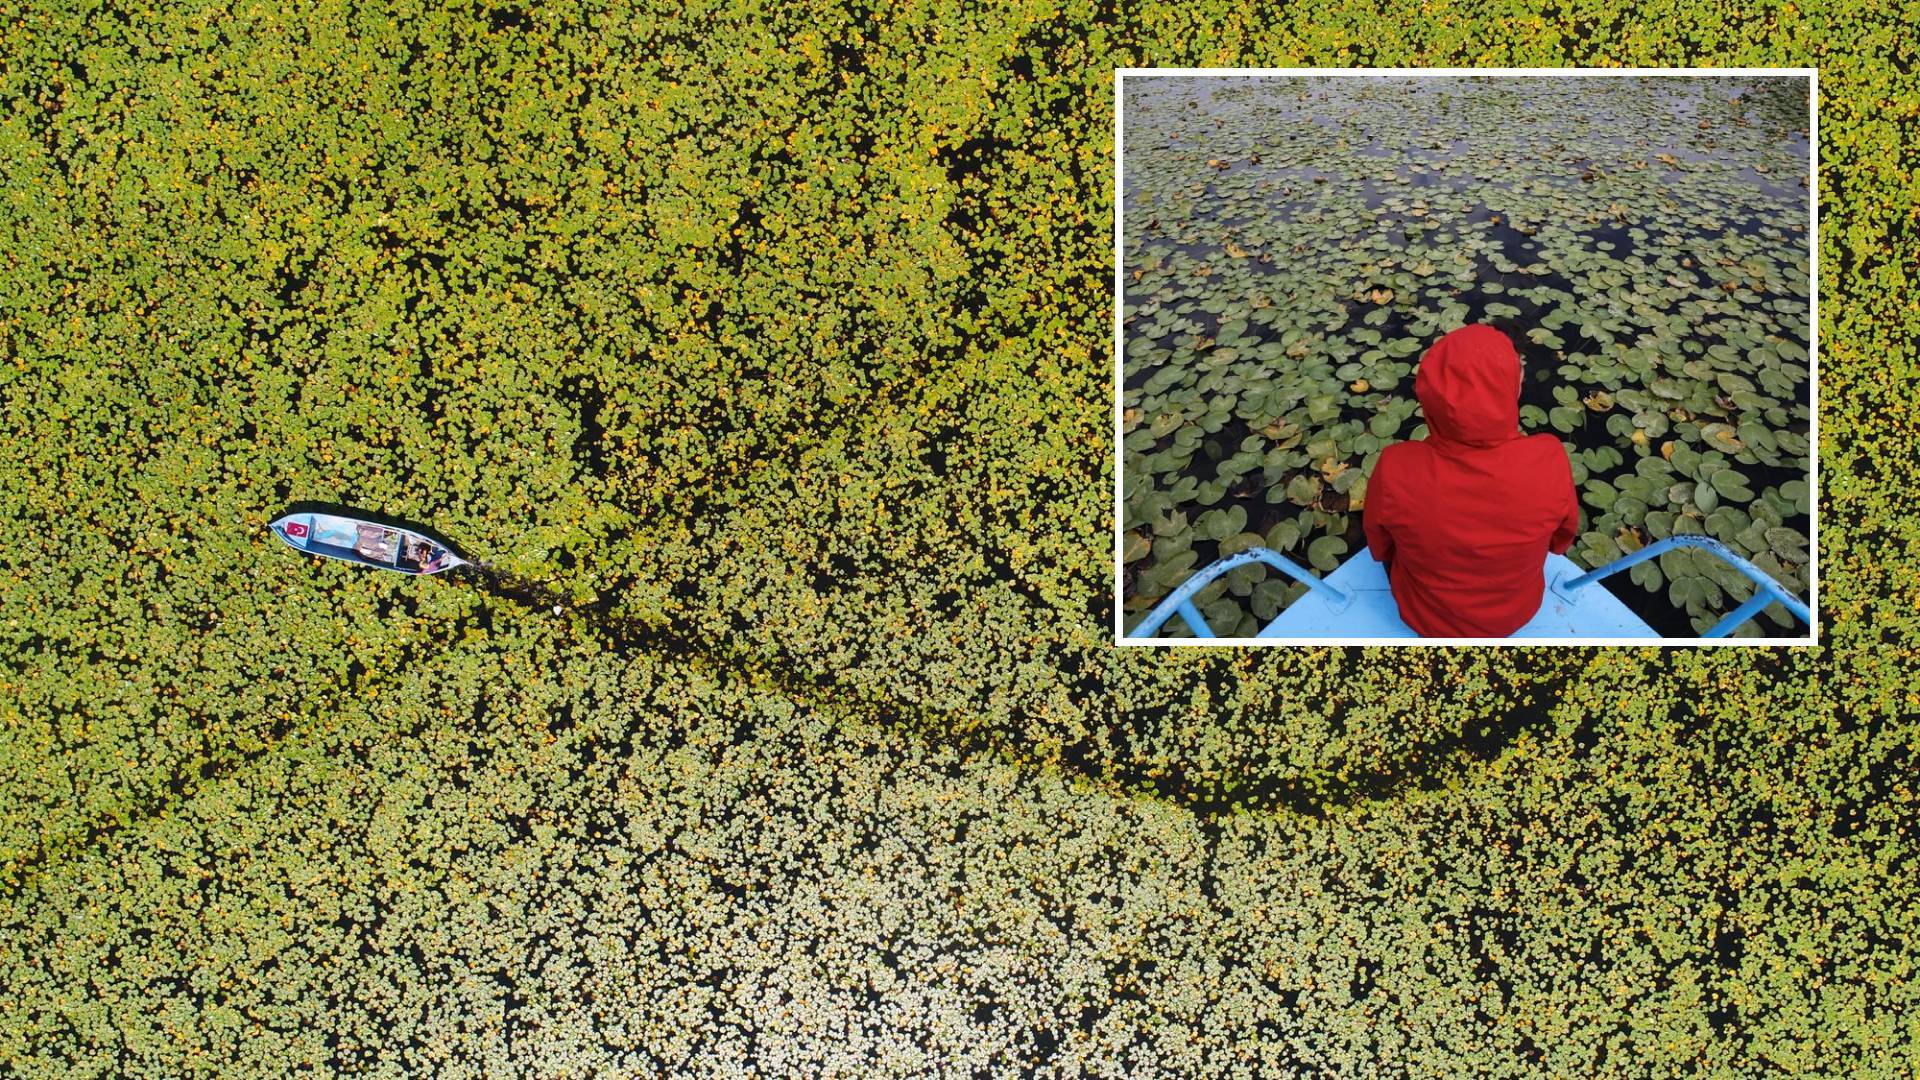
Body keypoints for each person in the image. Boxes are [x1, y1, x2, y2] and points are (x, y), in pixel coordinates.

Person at [1363, 322, 1581, 637]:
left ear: (1427, 394)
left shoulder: (1395, 466)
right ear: (1514, 387)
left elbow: (1381, 548)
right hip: (1516, 613)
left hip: (1424, 618)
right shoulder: (1550, 458)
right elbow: (1560, 541)